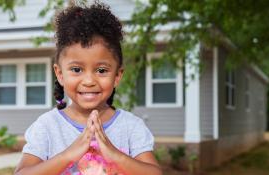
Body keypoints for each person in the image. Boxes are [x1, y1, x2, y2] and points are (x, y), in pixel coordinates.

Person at [14, 2, 162, 175]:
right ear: (60, 74)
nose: (89, 81)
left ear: (117, 75)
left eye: (101, 70)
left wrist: (115, 155)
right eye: (77, 70)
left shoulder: (131, 126)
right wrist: (68, 155)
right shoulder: (47, 126)